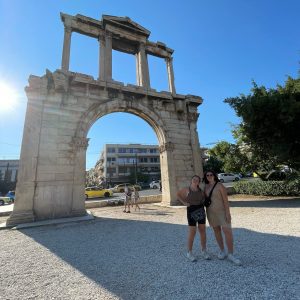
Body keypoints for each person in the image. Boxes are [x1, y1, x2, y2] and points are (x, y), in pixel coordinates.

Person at [204, 170, 242, 266]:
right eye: (207, 175)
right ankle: (222, 251)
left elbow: (226, 201)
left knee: (227, 231)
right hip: (211, 212)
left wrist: (228, 213)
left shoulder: (220, 185)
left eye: (211, 174)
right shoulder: (206, 187)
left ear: (214, 175)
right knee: (217, 231)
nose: (209, 176)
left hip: (222, 212)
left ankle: (231, 253)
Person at [177, 175, 210, 262]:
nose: (195, 181)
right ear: (191, 180)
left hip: (200, 210)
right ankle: (189, 252)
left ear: (199, 182)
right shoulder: (187, 189)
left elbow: (204, 199)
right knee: (192, 232)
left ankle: (204, 251)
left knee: (203, 231)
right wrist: (184, 202)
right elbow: (178, 194)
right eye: (194, 179)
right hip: (191, 210)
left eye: (197, 180)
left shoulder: (201, 190)